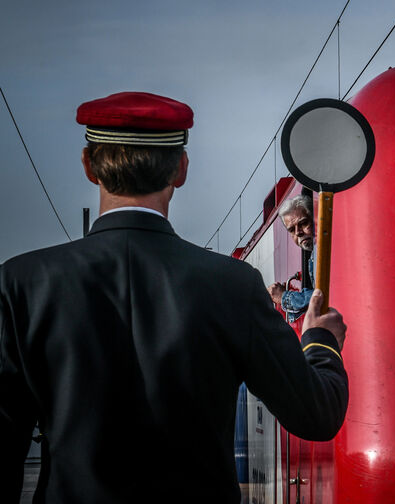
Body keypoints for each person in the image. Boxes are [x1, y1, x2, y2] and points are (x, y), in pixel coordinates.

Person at [0, 92, 349, 503]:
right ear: (181, 170)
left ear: (89, 166)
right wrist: (320, 341)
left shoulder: (21, 283)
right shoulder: (232, 284)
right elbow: (316, 415)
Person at [267, 194, 315, 322]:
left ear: (315, 219)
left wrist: (284, 296)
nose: (298, 232)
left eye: (303, 223)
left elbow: (324, 297)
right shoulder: (312, 258)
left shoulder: (322, 252)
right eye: (292, 230)